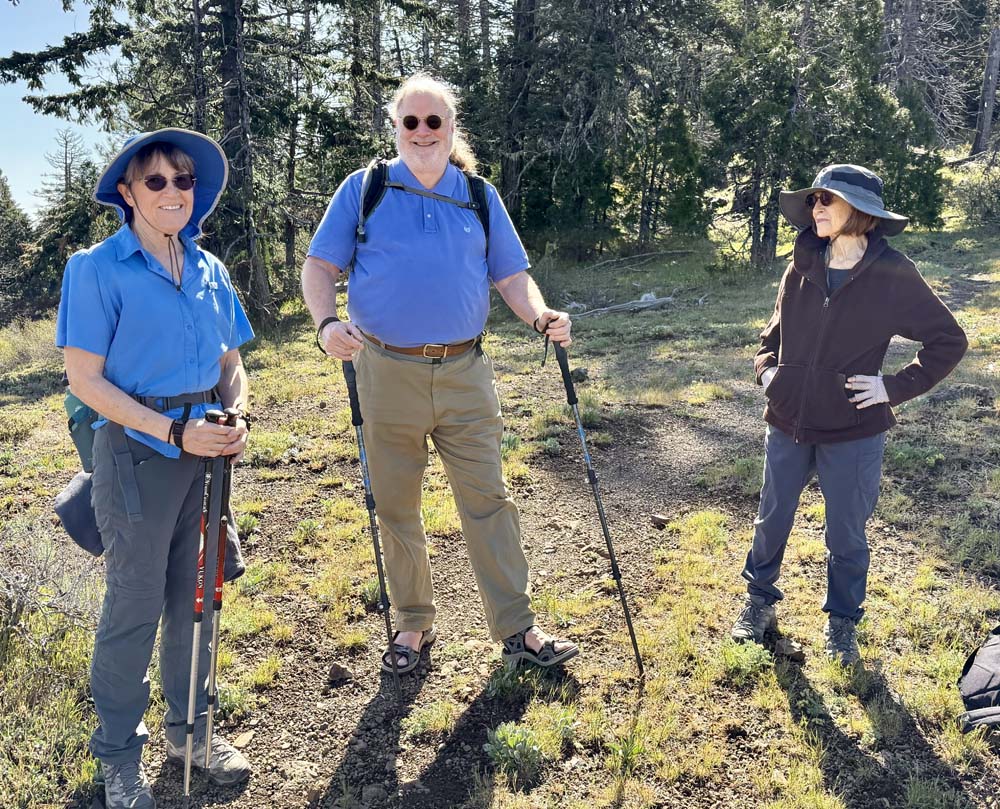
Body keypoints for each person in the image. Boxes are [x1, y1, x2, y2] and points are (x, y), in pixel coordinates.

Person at [301, 74, 580, 676]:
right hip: (384, 371)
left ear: (452, 128)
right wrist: (326, 325)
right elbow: (319, 266)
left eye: (435, 121)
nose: (423, 132)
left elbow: (511, 276)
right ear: (396, 128)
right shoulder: (366, 188)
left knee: (489, 500)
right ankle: (412, 624)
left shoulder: (478, 195)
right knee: (395, 504)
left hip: (465, 373)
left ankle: (518, 627)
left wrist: (540, 315)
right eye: (412, 122)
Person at [57, 128, 255, 807]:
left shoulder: (209, 269)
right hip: (136, 456)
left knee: (195, 598)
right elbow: (85, 379)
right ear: (128, 192)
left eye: (184, 179)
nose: (173, 191)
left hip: (208, 459)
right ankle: (119, 755)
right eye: (157, 180)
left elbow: (232, 364)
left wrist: (237, 413)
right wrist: (174, 430)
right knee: (134, 606)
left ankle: (191, 731)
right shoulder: (97, 268)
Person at [731, 164, 968, 665]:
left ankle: (842, 623)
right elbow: (770, 339)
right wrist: (768, 374)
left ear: (858, 211)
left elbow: (949, 340)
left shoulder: (893, 274)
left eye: (826, 199)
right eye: (813, 199)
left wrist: (892, 387)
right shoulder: (801, 263)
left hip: (854, 430)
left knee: (846, 532)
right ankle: (758, 602)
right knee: (772, 517)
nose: (815, 207)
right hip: (788, 421)